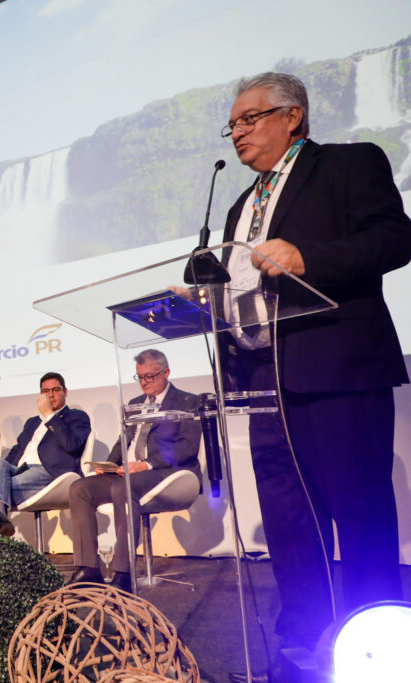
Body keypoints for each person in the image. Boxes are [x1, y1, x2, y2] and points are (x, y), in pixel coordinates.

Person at [219, 72, 410, 664]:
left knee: (358, 511)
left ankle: (376, 643)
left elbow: (396, 238)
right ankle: (304, 634)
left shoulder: (348, 165)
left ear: (292, 116)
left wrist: (310, 257)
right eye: (231, 124)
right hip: (263, 384)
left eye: (249, 119)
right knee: (286, 519)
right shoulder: (238, 205)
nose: (236, 133)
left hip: (337, 370)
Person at [66, 349, 201, 592]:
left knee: (123, 487)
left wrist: (146, 464)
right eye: (139, 377)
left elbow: (188, 448)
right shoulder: (135, 404)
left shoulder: (188, 401)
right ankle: (89, 568)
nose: (144, 382)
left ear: (166, 373)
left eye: (150, 376)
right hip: (128, 473)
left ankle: (123, 571)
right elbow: (123, 443)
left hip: (167, 473)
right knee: (80, 488)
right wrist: (106, 466)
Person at [0, 371, 91, 536]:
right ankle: (0, 519)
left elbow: (72, 445)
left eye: (55, 390)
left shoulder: (77, 417)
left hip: (48, 471)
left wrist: (49, 415)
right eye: (45, 391)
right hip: (21, 469)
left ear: (65, 392)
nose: (50, 395)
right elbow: (17, 450)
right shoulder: (32, 422)